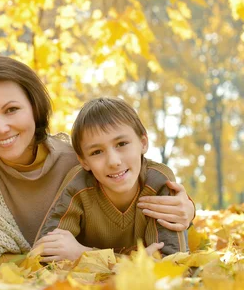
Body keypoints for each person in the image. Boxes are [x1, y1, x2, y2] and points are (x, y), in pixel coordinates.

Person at [0, 55, 195, 263]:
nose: (0, 128)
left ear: (34, 106)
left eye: (11, 110)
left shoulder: (80, 162)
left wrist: (188, 209)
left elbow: (136, 179)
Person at [32, 97, 188, 261]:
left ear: (143, 143)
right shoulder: (78, 185)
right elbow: (43, 255)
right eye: (97, 152)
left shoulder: (159, 181)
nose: (114, 162)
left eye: (121, 144)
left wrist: (83, 254)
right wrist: (136, 261)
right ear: (84, 161)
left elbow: (173, 264)